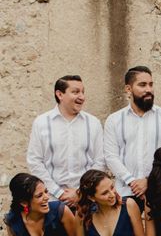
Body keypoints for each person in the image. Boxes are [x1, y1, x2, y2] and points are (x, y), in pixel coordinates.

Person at [103, 66, 161, 203]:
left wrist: (147, 181)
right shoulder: (114, 120)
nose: (148, 89)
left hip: (160, 192)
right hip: (125, 193)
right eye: (142, 85)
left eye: (151, 84)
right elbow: (111, 156)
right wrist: (132, 182)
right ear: (128, 89)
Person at [27, 75, 105, 208]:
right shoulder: (41, 123)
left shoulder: (93, 123)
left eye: (83, 92)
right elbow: (34, 161)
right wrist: (58, 193)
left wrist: (80, 192)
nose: (82, 97)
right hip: (52, 201)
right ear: (60, 94)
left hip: (87, 201)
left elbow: (100, 161)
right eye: (75, 92)